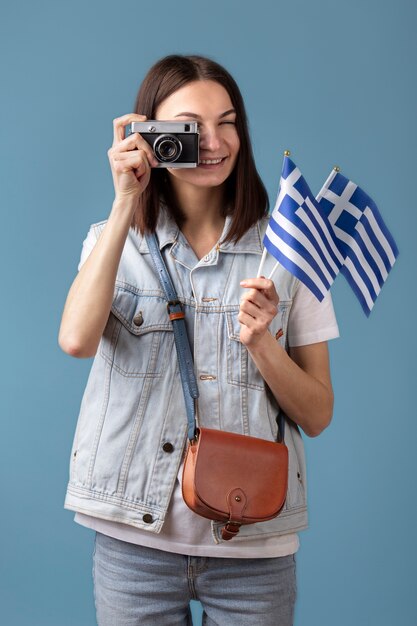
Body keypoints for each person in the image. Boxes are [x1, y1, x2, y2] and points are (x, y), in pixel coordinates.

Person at [59, 54, 339, 626]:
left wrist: (263, 343)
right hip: (134, 536)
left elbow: (317, 413)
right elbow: (76, 340)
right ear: (149, 136)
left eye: (227, 122)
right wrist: (122, 205)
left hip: (253, 539)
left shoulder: (288, 251)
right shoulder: (112, 241)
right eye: (188, 127)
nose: (212, 142)